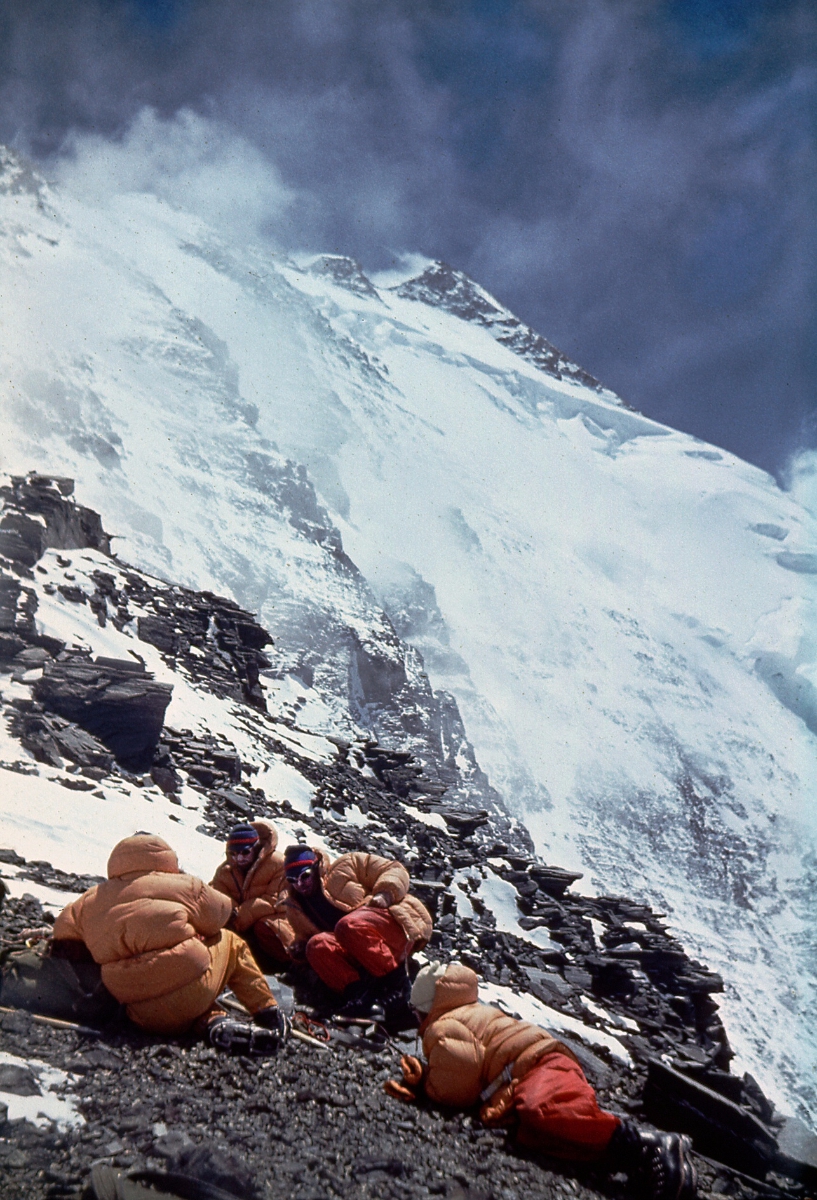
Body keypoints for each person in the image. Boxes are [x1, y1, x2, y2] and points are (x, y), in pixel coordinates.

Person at [385, 962, 697, 1200]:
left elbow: (459, 1084)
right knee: (536, 1132)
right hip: (541, 1062)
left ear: (426, 1008)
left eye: (416, 1012)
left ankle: (646, 1144)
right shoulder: (468, 1010)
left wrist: (425, 1086)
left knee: (542, 1110)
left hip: (539, 1064)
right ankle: (633, 1162)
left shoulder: (443, 1026)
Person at [51, 833, 288, 1054]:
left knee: (176, 998)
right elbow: (224, 915)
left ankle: (215, 1023)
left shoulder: (90, 899)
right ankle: (267, 1012)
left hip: (139, 1011)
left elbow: (62, 933)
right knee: (232, 944)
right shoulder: (187, 885)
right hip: (190, 991)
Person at [279, 843, 432, 1020]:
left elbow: (395, 869)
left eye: (304, 876)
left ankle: (399, 987)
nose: (299, 884)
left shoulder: (347, 865)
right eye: (292, 880)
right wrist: (300, 947)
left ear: (314, 868)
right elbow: (308, 938)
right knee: (316, 945)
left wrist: (385, 894)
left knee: (346, 925)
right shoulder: (294, 906)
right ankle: (362, 997)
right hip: (358, 949)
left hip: (391, 927)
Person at [210, 822, 292, 963]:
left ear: (256, 847)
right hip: (244, 924)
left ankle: (294, 964)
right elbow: (218, 895)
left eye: (245, 852)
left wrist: (237, 918)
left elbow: (272, 901)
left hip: (277, 919)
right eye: (233, 854)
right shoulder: (225, 871)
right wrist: (230, 912)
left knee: (265, 928)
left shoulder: (279, 864)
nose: (239, 858)